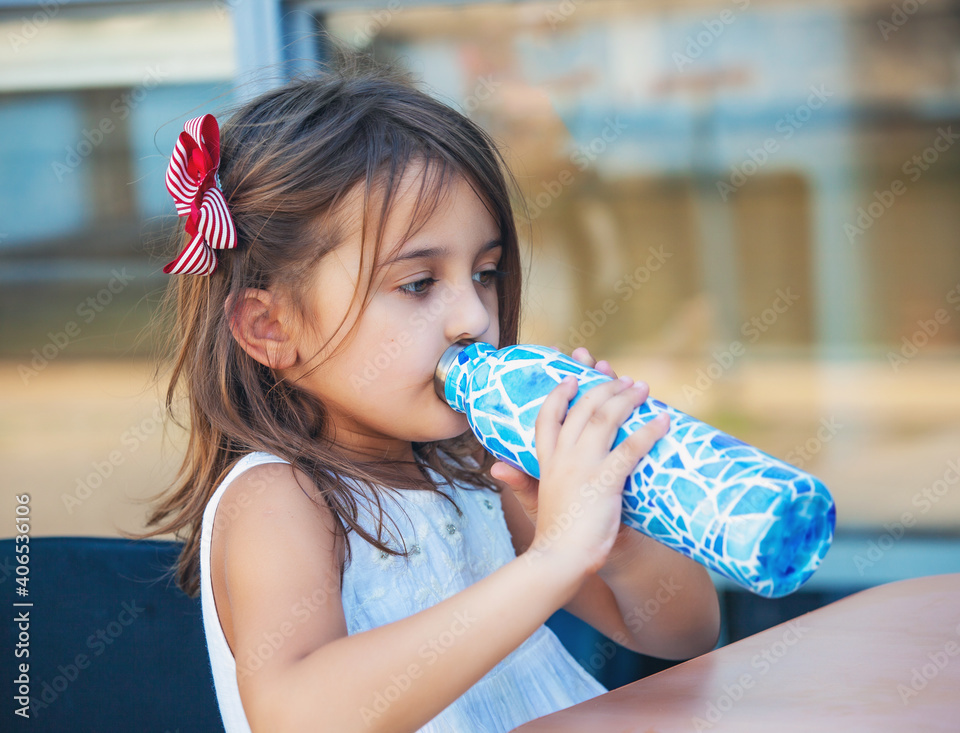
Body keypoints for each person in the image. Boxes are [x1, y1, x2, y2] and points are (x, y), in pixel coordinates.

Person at [137, 46, 720, 733]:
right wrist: (553, 560)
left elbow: (683, 632)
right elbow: (298, 714)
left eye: (486, 272)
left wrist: (607, 534)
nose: (474, 316)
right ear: (271, 327)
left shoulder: (477, 469)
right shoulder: (281, 497)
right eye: (418, 284)